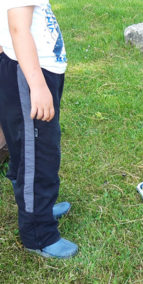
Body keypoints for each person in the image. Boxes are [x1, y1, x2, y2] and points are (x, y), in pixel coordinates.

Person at [0, 1, 78, 258]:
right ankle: (38, 233)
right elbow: (18, 28)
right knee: (39, 158)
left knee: (29, 152)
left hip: (34, 72)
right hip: (32, 76)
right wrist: (37, 85)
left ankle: (38, 208)